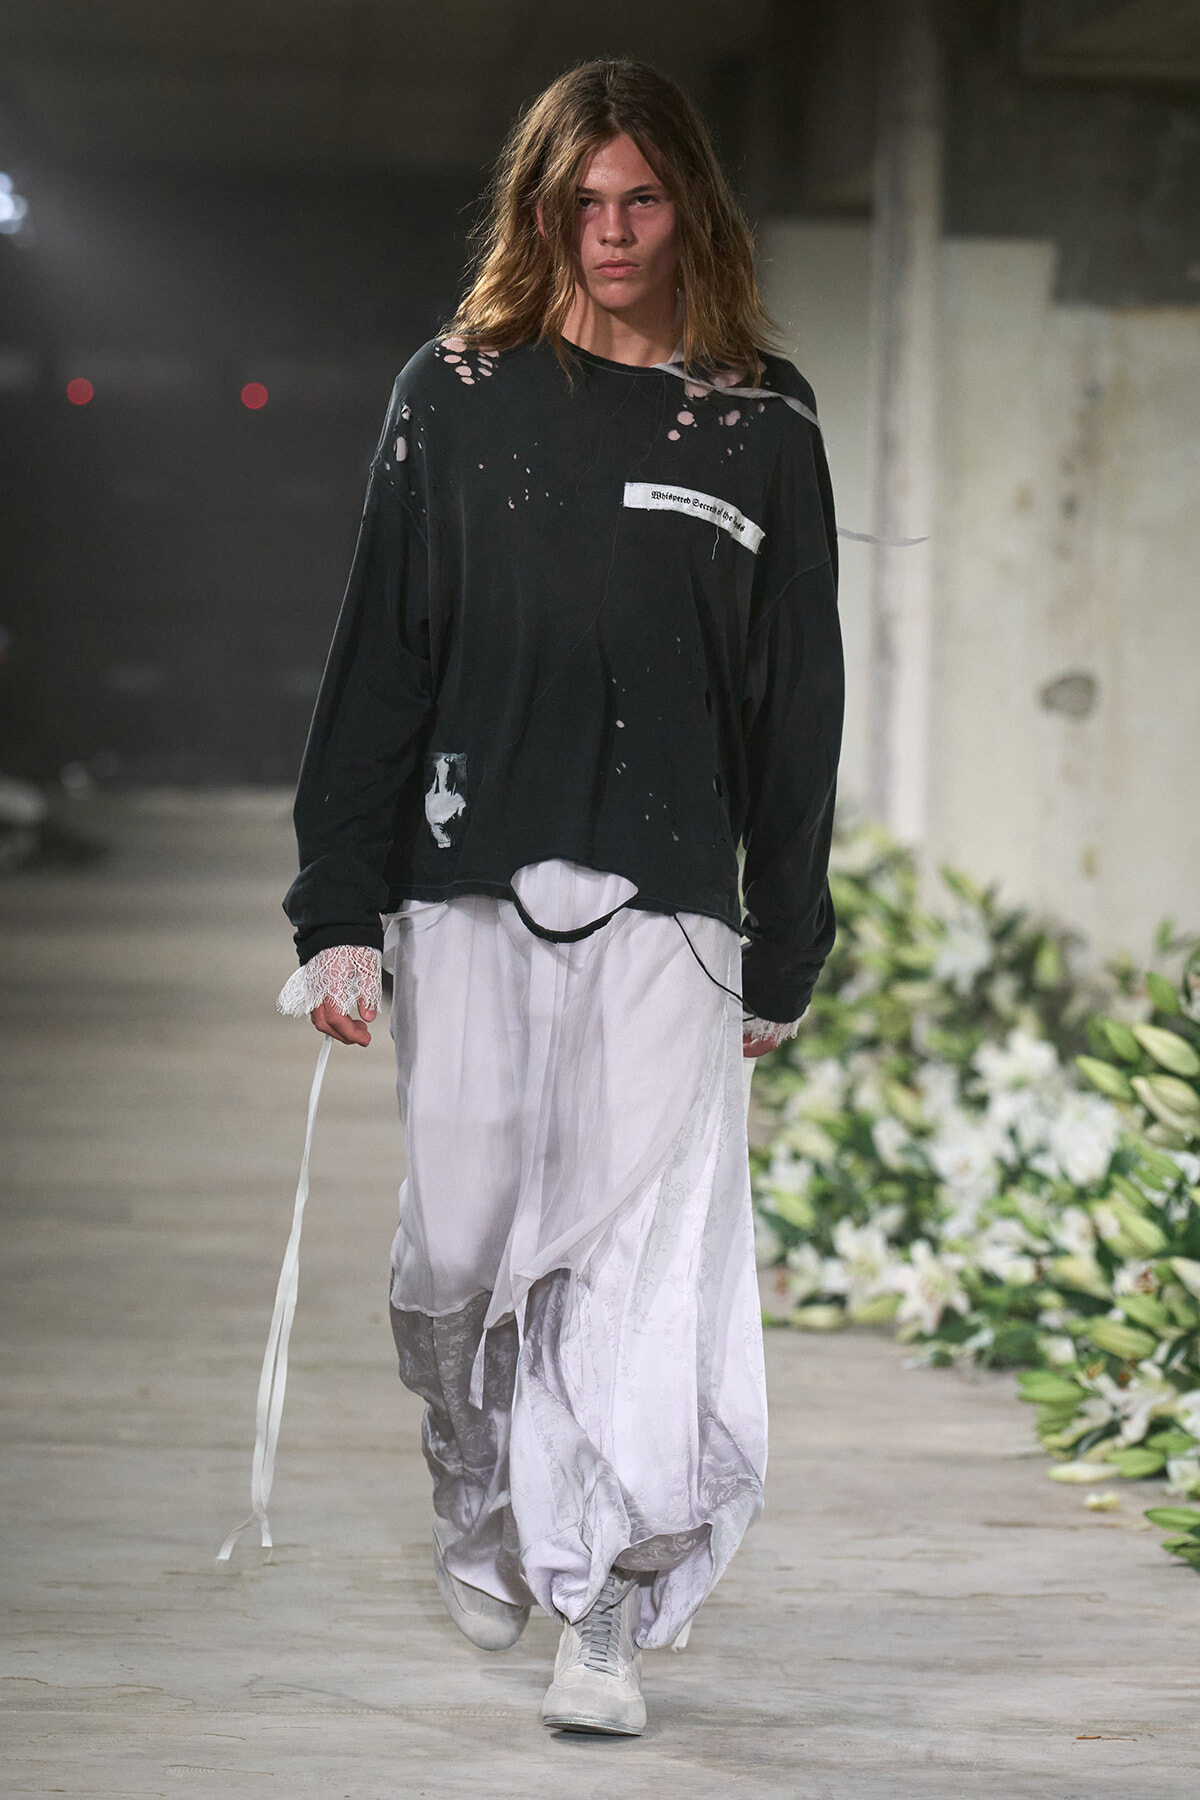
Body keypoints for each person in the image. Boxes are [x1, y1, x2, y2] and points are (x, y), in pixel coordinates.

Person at [278, 57, 842, 1737]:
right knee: (458, 1251)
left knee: (612, 1264)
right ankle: (473, 1482)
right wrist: (336, 908)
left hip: (672, 903)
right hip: (464, 880)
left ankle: (594, 1604)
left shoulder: (760, 415)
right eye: (580, 204)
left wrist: (786, 943)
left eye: (641, 200)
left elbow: (794, 703)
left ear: (690, 210)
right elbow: (381, 653)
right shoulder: (452, 391)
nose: (611, 232)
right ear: (540, 213)